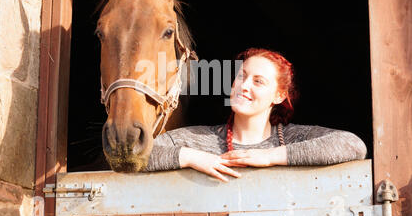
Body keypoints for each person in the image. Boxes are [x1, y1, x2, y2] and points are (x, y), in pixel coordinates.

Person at [145, 48, 367, 182]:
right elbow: (137, 154)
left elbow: (353, 145)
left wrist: (269, 157)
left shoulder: (292, 138)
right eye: (241, 76)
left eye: (258, 81)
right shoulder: (198, 140)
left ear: (279, 95)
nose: (244, 86)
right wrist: (191, 157)